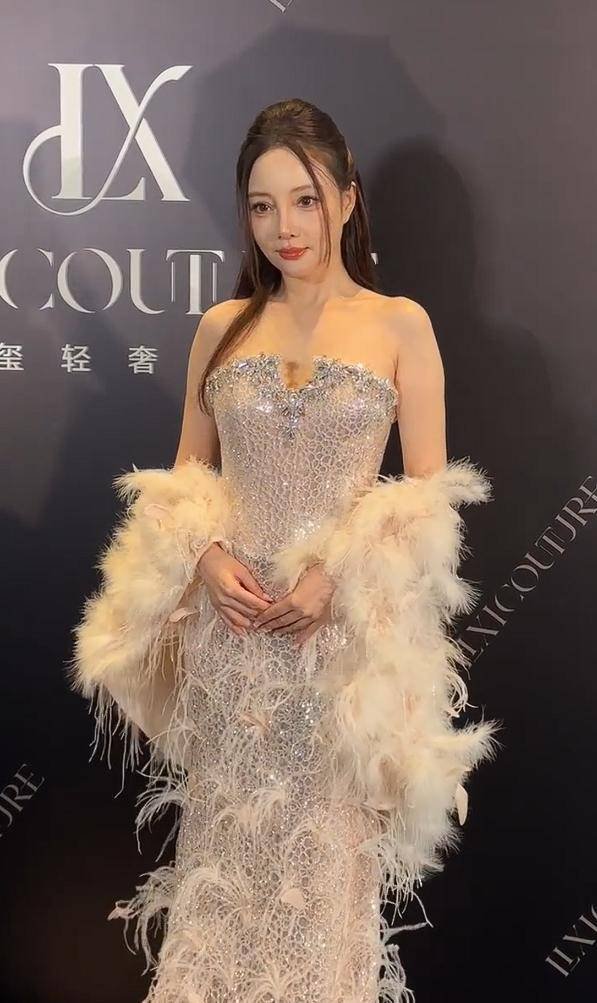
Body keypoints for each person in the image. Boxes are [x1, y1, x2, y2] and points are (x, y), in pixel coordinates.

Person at [68, 98, 501, 1003]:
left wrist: (335, 575)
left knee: (321, 893)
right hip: (234, 649)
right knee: (224, 877)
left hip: (332, 657)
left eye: (303, 200)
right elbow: (183, 480)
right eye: (262, 207)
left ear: (346, 199)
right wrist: (203, 556)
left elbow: (428, 499)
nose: (284, 228)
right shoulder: (221, 326)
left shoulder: (398, 324)